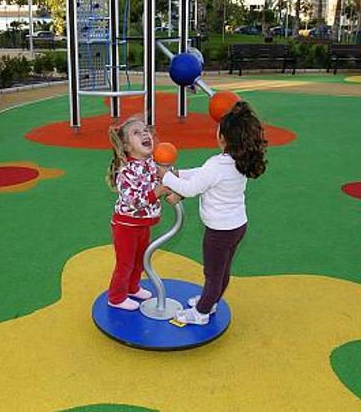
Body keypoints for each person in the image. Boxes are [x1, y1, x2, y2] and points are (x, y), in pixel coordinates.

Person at [159, 101, 268, 325]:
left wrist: (166, 176)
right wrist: (180, 173)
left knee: (213, 274)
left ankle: (201, 313)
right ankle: (212, 300)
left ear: (222, 138)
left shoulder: (217, 165)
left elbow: (192, 189)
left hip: (219, 232)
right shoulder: (240, 161)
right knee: (223, 270)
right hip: (238, 226)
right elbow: (202, 175)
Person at [106, 115, 172, 311]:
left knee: (140, 259)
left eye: (145, 130)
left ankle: (133, 288)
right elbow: (134, 200)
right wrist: (157, 191)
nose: (145, 133)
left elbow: (160, 175)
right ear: (127, 146)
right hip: (126, 225)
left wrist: (170, 173)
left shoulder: (151, 163)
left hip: (143, 224)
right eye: (137, 132)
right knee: (125, 263)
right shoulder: (125, 171)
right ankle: (116, 297)